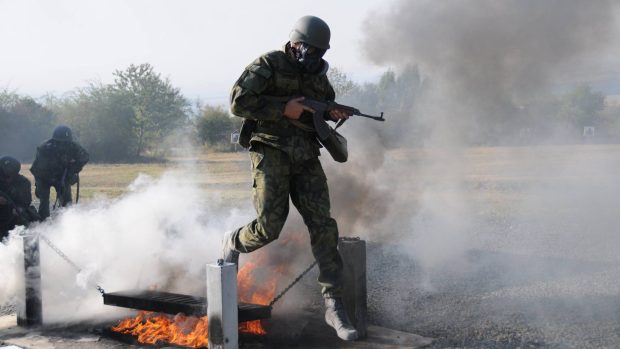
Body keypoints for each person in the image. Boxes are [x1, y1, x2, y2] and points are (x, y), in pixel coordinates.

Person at [222, 16, 358, 341]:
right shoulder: (269, 64)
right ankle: (233, 240)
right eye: (308, 48)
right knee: (270, 226)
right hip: (270, 150)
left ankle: (333, 303)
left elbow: (318, 115)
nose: (312, 56)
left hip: (306, 155)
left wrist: (331, 114)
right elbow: (237, 103)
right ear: (295, 42)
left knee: (324, 225)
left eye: (319, 51)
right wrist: (283, 108)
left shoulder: (319, 79)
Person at [30, 125, 89, 220]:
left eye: (65, 142)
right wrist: (53, 180)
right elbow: (40, 170)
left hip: (62, 176)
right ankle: (43, 222)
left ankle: (68, 221)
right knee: (44, 200)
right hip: (44, 177)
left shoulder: (72, 146)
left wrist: (73, 168)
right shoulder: (45, 148)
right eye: (60, 142)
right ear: (55, 140)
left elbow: (85, 157)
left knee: (67, 201)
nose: (62, 145)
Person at [0, 156, 40, 241]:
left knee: (29, 217)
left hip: (14, 211)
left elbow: (26, 201)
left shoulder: (23, 182)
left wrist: (19, 208)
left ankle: (27, 244)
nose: (6, 179)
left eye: (9, 176)